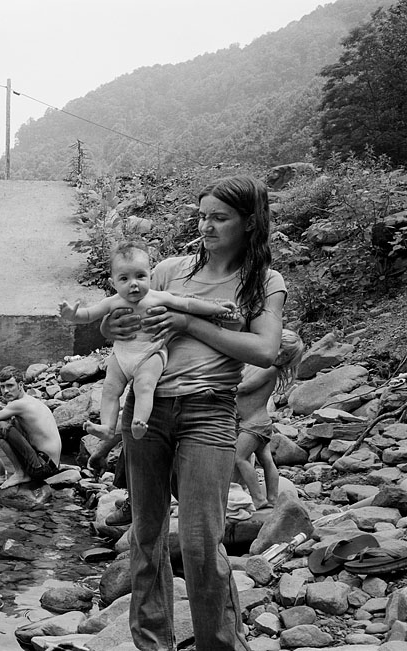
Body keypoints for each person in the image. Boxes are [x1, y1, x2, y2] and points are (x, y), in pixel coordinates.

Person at [102, 175, 285, 651]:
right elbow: (125, 324)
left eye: (219, 218)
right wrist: (110, 323)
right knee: (146, 536)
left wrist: (188, 322)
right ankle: (152, 644)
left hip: (209, 412)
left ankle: (221, 645)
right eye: (202, 215)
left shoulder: (263, 281)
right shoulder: (167, 271)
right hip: (148, 409)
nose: (206, 225)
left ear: (249, 222)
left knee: (203, 543)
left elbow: (264, 350)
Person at [59, 240, 236, 439]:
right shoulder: (112, 302)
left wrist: (216, 308)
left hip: (150, 353)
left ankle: (139, 421)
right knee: (109, 388)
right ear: (112, 283)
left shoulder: (158, 297)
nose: (134, 284)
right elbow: (89, 314)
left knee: (144, 386)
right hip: (122, 355)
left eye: (140, 276)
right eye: (124, 278)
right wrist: (73, 316)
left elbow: (187, 304)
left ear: (150, 276)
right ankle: (107, 427)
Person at [234, 329, 304, 509]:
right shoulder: (259, 364)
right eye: (278, 347)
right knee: (266, 460)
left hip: (253, 425)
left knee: (239, 458)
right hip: (260, 424)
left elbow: (245, 388)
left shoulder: (270, 369)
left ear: (289, 360)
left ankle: (259, 498)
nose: (279, 354)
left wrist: (221, 386)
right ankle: (273, 498)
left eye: (286, 353)